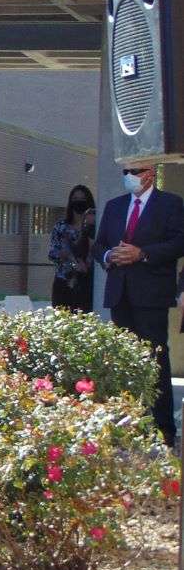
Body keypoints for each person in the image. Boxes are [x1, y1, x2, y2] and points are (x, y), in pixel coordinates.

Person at [92, 162, 184, 446]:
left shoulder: (170, 204)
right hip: (120, 293)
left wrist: (141, 253)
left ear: (150, 174)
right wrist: (109, 256)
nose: (129, 177)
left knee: (155, 358)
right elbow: (99, 246)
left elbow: (179, 243)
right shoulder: (115, 206)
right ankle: (130, 425)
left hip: (152, 293)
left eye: (135, 172)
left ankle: (163, 428)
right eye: (125, 173)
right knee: (125, 360)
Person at [49, 185, 97, 313]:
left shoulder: (97, 228)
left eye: (82, 198)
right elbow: (52, 253)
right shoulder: (61, 227)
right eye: (75, 198)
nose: (79, 202)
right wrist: (70, 261)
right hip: (64, 282)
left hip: (88, 284)